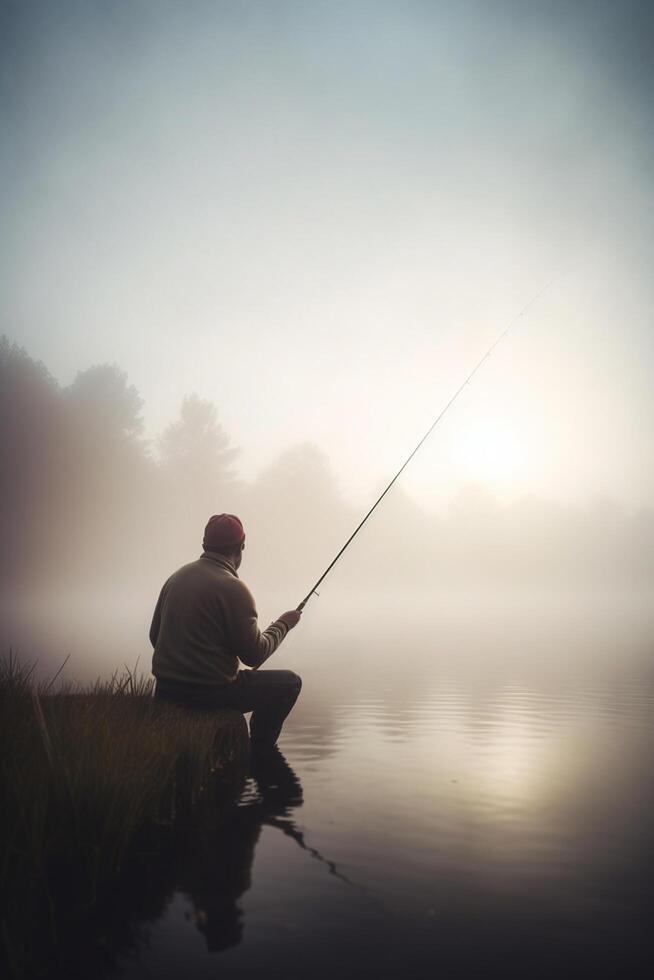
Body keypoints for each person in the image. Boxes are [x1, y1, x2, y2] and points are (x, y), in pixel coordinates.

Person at [150, 513, 302, 752]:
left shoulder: (175, 578)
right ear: (240, 547)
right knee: (290, 683)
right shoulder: (234, 588)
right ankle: (260, 754)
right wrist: (284, 624)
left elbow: (154, 637)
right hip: (208, 695)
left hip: (165, 691)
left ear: (204, 545)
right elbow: (254, 656)